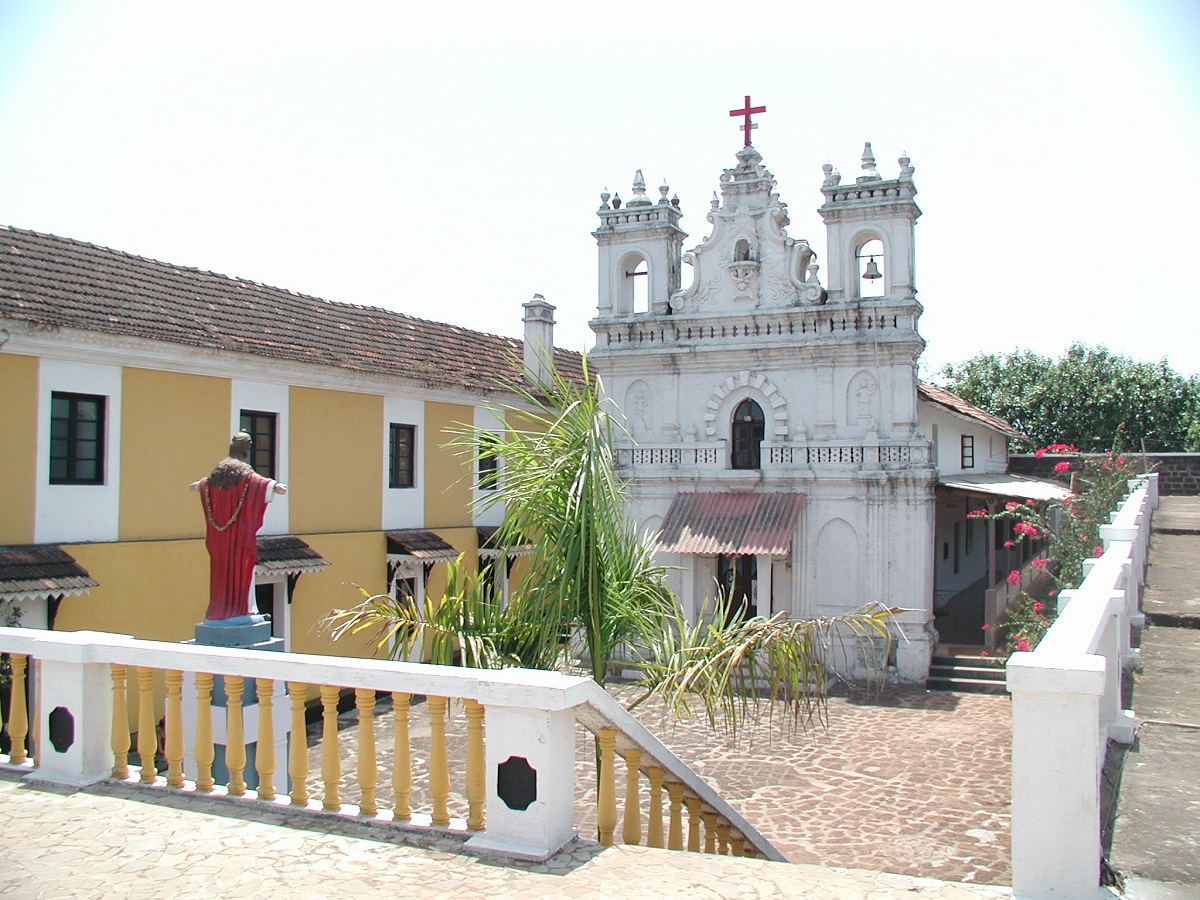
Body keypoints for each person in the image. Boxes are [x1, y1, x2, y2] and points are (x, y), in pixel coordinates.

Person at [190, 432, 287, 621]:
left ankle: (220, 607)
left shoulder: (219, 470)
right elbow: (256, 483)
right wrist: (273, 486)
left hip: (220, 539)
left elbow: (208, 484)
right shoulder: (243, 470)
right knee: (240, 568)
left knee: (220, 572)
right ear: (246, 450)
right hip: (238, 539)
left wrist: (200, 485)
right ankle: (239, 608)